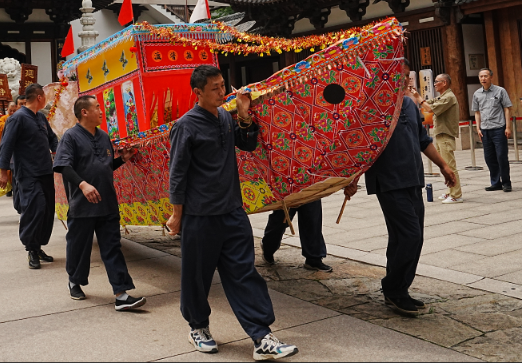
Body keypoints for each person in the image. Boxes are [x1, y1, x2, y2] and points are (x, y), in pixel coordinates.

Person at [167, 65, 298, 360]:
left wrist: (243, 113)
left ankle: (261, 335)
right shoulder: (185, 125)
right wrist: (177, 214)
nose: (221, 91)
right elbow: (177, 174)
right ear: (197, 93)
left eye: (222, 85)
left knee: (243, 272)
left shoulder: (225, 117)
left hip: (232, 211)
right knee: (196, 277)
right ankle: (198, 327)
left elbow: (248, 143)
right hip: (200, 216)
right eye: (214, 88)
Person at [361, 59, 456, 317]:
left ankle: (399, 288)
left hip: (413, 179)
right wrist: (351, 180)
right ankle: (393, 288)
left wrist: (444, 167)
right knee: (409, 236)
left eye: (407, 77)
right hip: (389, 182)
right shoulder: (373, 109)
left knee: (411, 238)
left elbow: (423, 140)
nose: (406, 81)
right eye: (400, 77)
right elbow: (362, 148)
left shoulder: (408, 105)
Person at [54, 95, 146, 310]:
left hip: (107, 203)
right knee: (79, 247)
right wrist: (83, 185)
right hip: (82, 205)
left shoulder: (104, 136)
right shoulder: (71, 137)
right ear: (84, 112)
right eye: (97, 107)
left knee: (113, 247)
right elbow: (63, 166)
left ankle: (121, 294)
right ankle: (74, 280)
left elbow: (103, 166)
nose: (101, 111)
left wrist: (121, 160)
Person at [0, 84, 60, 270]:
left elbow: (52, 137)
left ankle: (38, 246)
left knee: (47, 210)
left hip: (45, 171)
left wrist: (57, 151)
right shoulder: (17, 118)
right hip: (27, 173)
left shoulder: (40, 117)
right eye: (45, 96)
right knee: (35, 208)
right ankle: (31, 249)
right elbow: (6, 145)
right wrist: (3, 171)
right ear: (39, 97)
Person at [419, 73, 463, 203]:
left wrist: (418, 97)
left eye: (436, 81)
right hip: (440, 134)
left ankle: (456, 194)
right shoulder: (442, 97)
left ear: (444, 83)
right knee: (444, 165)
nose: (434, 84)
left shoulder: (449, 97)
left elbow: (430, 109)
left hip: (446, 134)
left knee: (449, 165)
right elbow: (427, 104)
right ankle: (450, 191)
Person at [472, 68, 513, 192]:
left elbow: (507, 108)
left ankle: (506, 182)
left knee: (501, 156)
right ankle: (495, 182)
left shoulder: (500, 91)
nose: (483, 79)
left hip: (499, 128)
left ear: (491, 77)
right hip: (485, 130)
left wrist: (508, 127)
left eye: (485, 76)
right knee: (489, 157)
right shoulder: (477, 94)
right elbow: (477, 112)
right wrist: (478, 128)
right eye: (481, 76)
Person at [261, 201, 333, 271]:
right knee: (281, 219)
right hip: (287, 191)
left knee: (312, 220)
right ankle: (268, 247)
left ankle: (313, 258)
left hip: (310, 190)